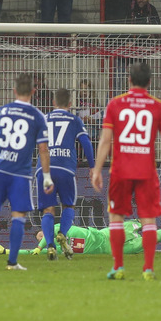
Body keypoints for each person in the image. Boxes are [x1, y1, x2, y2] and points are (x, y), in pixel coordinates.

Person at [91, 61, 161, 281]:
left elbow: (105, 140)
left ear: (128, 80)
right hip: (146, 171)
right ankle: (148, 269)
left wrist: (97, 169)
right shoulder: (157, 105)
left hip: (120, 170)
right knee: (148, 219)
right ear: (149, 82)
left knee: (116, 218)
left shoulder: (115, 104)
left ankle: (118, 267)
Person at [0, 73, 54, 271]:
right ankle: (12, 263)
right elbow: (43, 149)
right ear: (33, 92)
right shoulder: (37, 116)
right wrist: (47, 176)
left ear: (14, 91)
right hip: (20, 174)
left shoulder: (2, 111)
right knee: (18, 216)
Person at [35, 88, 95, 260]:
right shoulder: (74, 120)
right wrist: (92, 166)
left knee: (48, 210)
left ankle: (51, 246)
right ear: (70, 104)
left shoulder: (43, 119)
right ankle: (62, 233)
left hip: (44, 168)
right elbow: (86, 143)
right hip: (65, 169)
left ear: (54, 103)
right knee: (68, 206)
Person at [0, 214, 161, 256]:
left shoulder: (61, 227)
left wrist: (40, 245)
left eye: (42, 234)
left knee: (137, 223)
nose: (42, 236)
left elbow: (47, 233)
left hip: (105, 235)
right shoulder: (57, 248)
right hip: (110, 249)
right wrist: (5, 251)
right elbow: (26, 251)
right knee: (153, 239)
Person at [74, 78, 103, 143]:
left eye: (86, 89)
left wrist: (93, 121)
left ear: (90, 91)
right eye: (82, 89)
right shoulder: (76, 105)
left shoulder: (96, 105)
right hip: (78, 138)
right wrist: (81, 120)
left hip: (93, 138)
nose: (84, 92)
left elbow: (102, 123)